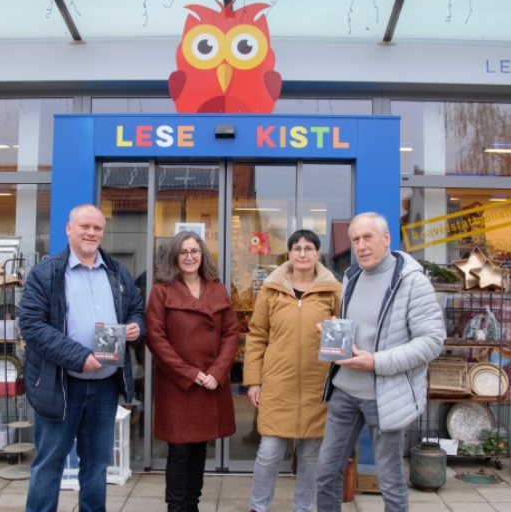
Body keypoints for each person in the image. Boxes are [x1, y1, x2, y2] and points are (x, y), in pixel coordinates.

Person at [315, 212, 445, 512]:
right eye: (355, 239)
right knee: (326, 472)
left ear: (386, 239)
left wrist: (376, 361)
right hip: (345, 390)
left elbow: (432, 341)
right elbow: (362, 328)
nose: (361, 246)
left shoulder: (413, 282)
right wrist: (335, 332)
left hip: (385, 395)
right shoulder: (352, 277)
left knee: (389, 480)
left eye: (368, 237)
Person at [21, 204, 146, 512]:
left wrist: (135, 327)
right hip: (60, 385)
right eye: (84, 227)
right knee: (49, 464)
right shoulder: (46, 273)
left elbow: (136, 309)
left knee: (97, 465)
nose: (91, 233)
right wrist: (78, 357)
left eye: (97, 228)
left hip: (104, 387)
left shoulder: (117, 272)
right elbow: (32, 327)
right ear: (69, 229)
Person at [244, 229, 342, 512]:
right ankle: (258, 507)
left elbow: (346, 331)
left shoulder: (334, 290)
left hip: (318, 384)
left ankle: (303, 507)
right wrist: (253, 380)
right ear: (289, 254)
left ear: (317, 254)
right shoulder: (271, 289)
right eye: (297, 248)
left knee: (311, 456)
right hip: (278, 384)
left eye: (308, 248)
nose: (302, 253)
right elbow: (257, 335)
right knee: (269, 452)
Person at [146, 231, 239, 512]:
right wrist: (190, 374)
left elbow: (231, 333)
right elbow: (155, 338)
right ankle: (176, 508)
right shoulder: (162, 290)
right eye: (184, 252)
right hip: (178, 384)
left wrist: (217, 371)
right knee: (180, 449)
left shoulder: (218, 288)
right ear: (175, 256)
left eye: (194, 251)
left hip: (210, 382)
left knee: (199, 447)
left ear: (202, 255)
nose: (189, 257)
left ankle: (192, 505)